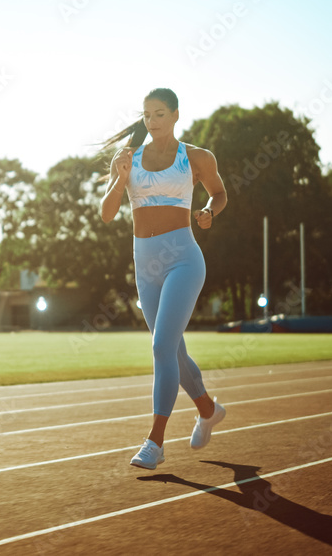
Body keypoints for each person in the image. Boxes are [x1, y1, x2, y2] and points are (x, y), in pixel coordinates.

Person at [99, 87, 229, 470]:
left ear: (175, 115)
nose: (152, 121)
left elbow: (219, 193)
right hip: (146, 265)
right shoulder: (126, 160)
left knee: (160, 348)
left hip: (183, 260)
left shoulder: (197, 157)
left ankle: (155, 442)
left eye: (159, 114)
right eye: (146, 115)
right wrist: (121, 180)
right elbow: (107, 214)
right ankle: (208, 410)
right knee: (173, 350)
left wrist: (208, 210)